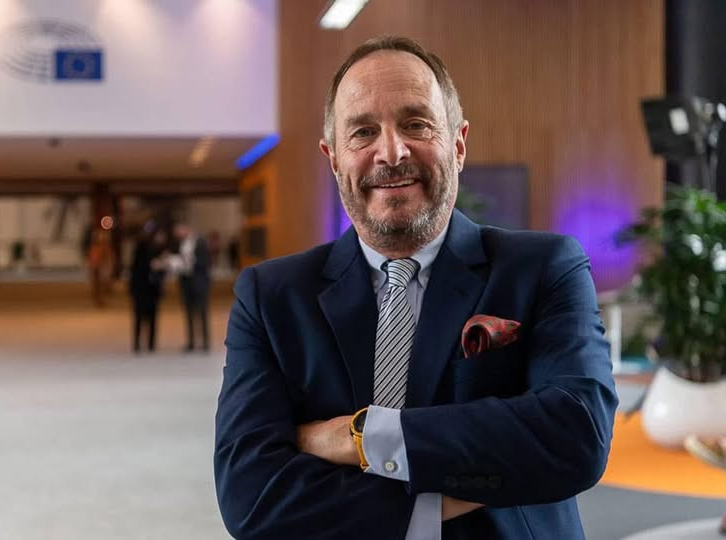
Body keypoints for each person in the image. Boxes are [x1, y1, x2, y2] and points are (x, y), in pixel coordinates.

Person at [214, 36, 618, 539]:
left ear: (458, 143)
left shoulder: (543, 268)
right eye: (363, 132)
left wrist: (361, 438)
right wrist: (472, 478)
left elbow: (577, 437)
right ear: (334, 158)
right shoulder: (270, 296)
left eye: (416, 124)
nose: (392, 152)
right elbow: (250, 498)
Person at [172, 223, 211, 351]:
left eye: (179, 231)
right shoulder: (181, 243)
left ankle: (205, 341)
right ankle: (191, 341)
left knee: (202, 312)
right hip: (186, 282)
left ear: (186, 229)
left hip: (199, 282)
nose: (178, 235)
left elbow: (205, 262)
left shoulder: (201, 242)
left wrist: (190, 262)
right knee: (188, 313)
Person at [128, 227, 167, 353]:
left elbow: (162, 272)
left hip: (151, 290)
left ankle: (149, 343)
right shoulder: (142, 250)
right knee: (140, 317)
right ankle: (139, 343)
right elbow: (137, 270)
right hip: (142, 289)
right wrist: (153, 265)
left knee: (151, 317)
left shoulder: (159, 250)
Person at [87, 227, 114, 307]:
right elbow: (93, 258)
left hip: (99, 267)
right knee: (97, 285)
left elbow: (107, 257)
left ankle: (99, 299)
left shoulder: (101, 247)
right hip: (97, 267)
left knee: (99, 285)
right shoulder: (97, 248)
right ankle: (98, 300)